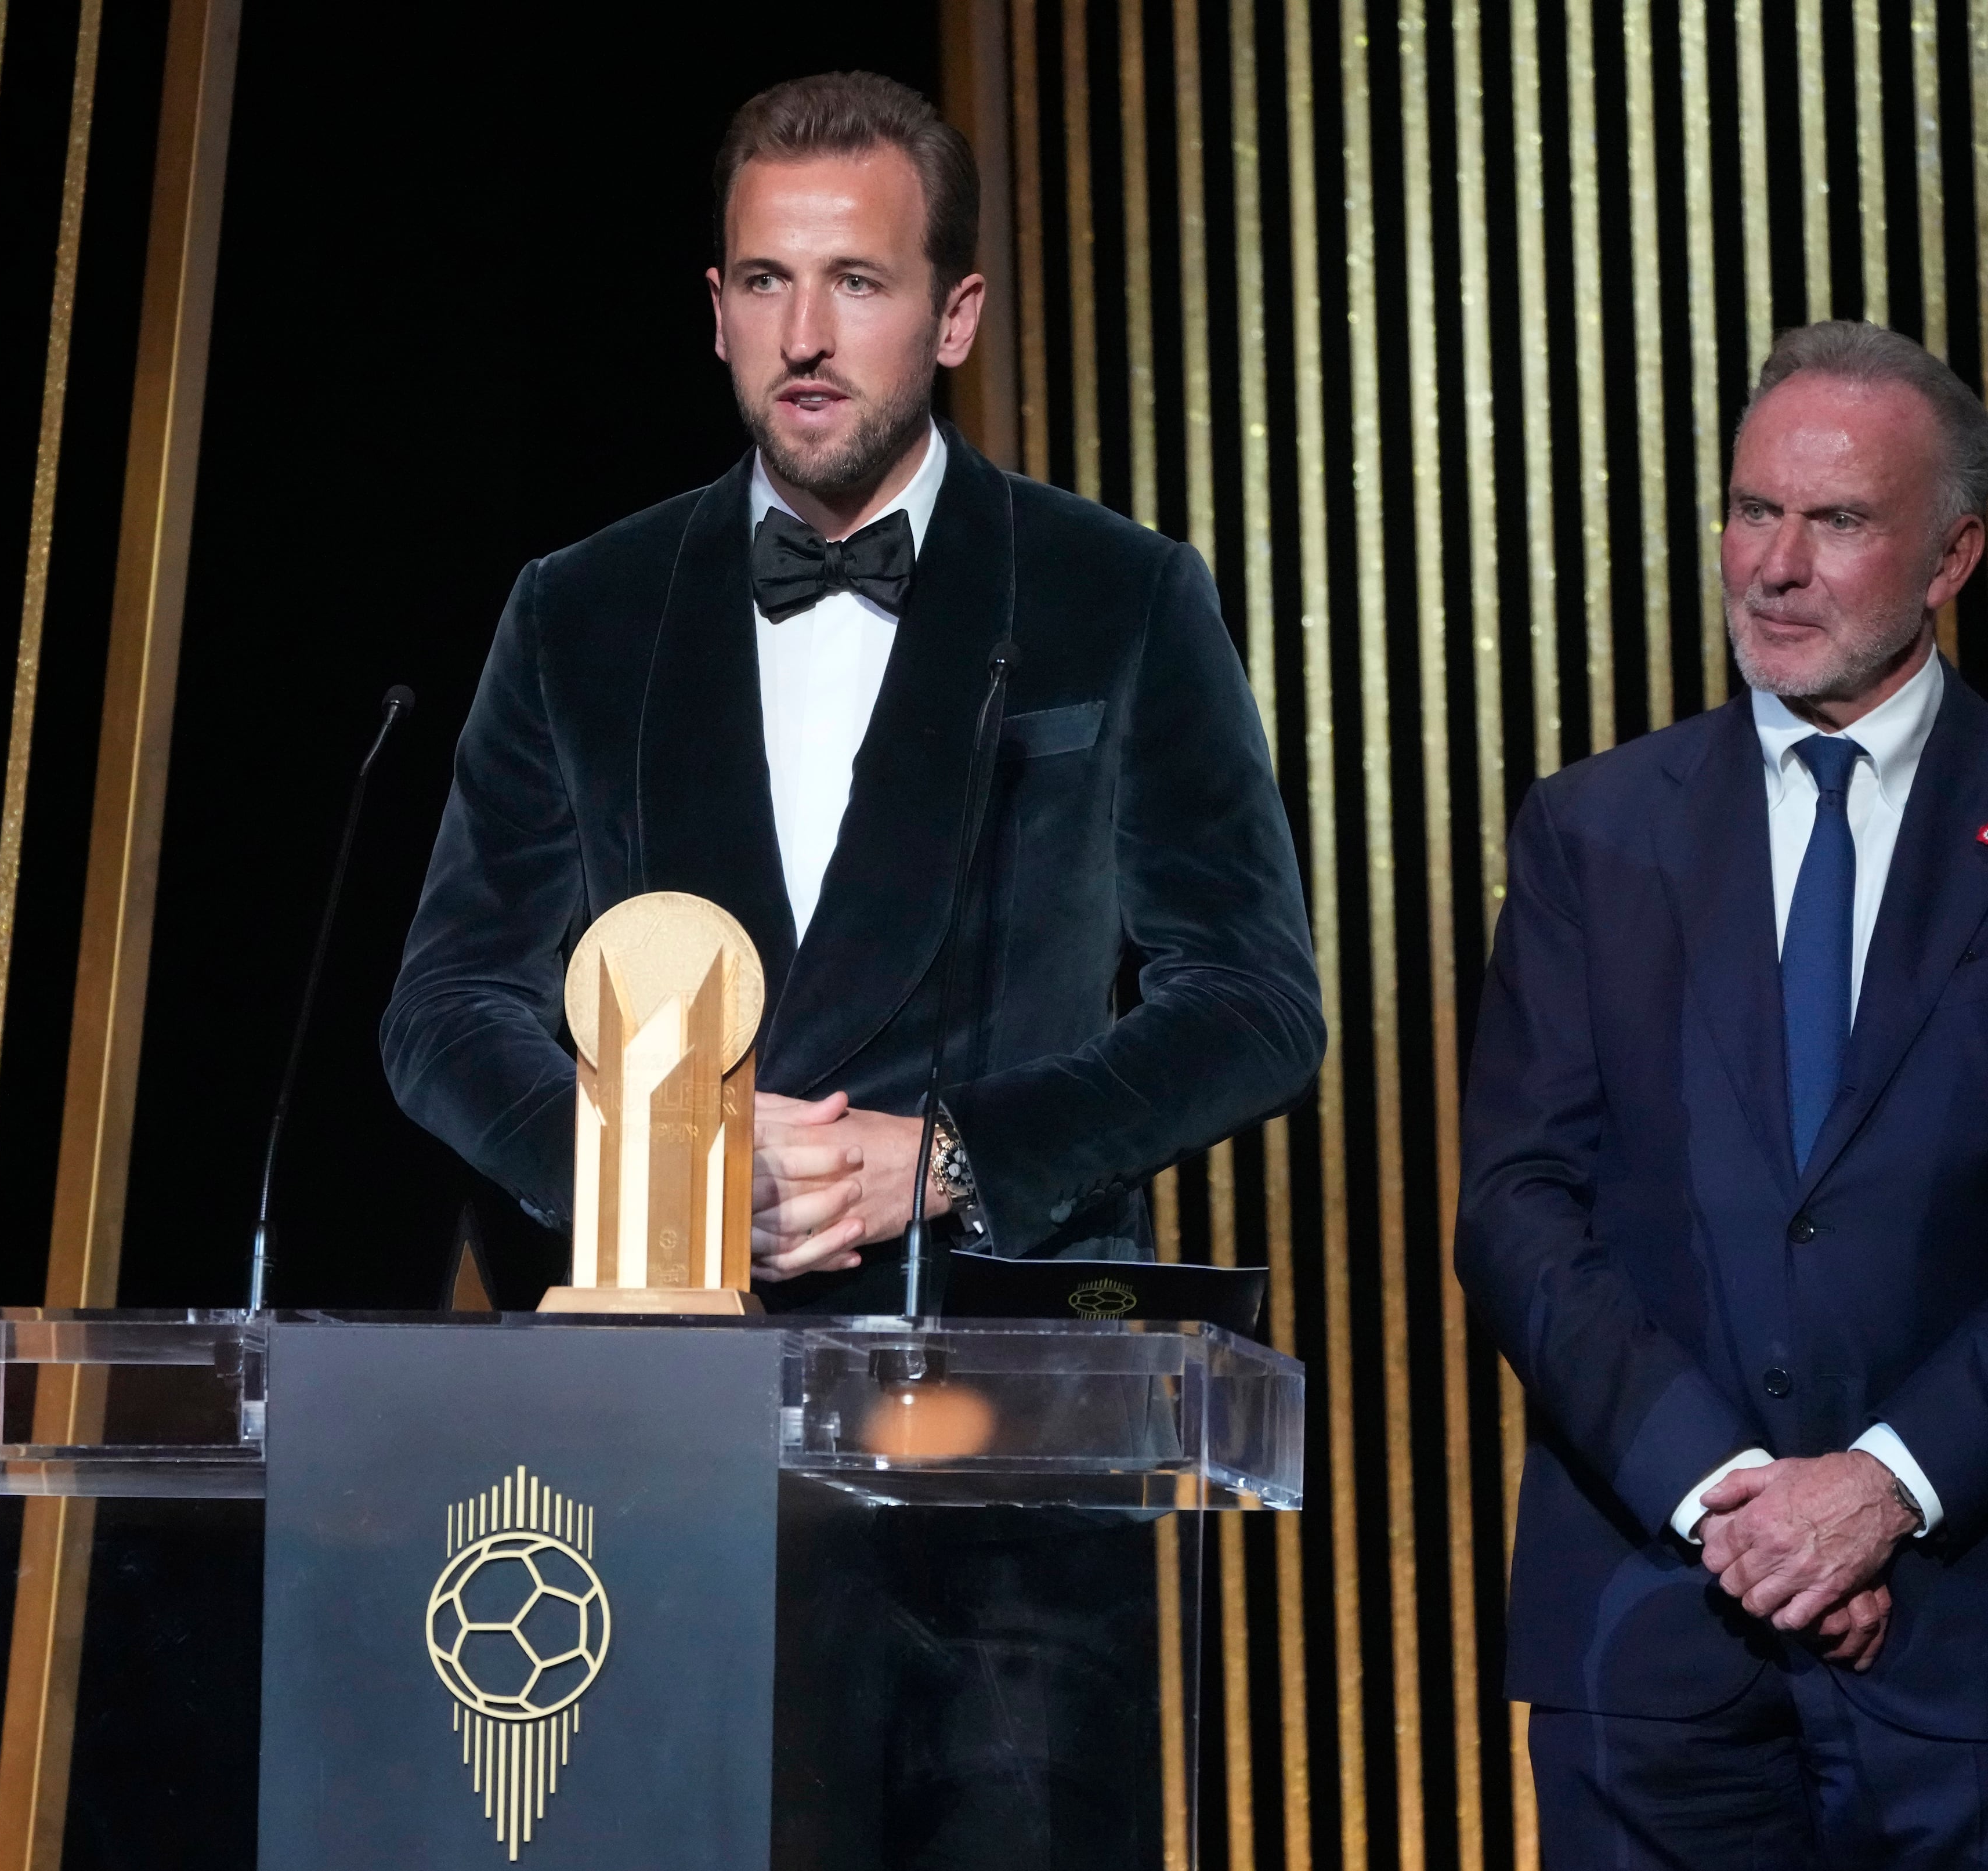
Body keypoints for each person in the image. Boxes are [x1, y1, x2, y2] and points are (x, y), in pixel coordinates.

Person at [1456, 320, 1988, 1871]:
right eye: (1751, 512)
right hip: (1650, 1623)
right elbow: (1519, 1201)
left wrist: (1880, 1486)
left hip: (1965, 1621)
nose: (1775, 567)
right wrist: (1734, 1495)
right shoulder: (1594, 827)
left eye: (1838, 522)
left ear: (1954, 554)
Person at [384, 72, 1320, 1305]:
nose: (805, 334)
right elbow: (448, 1004)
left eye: (858, 282)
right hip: (656, 1363)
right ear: (719, 312)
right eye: (767, 280)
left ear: (954, 316)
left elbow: (1253, 1002)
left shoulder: (1115, 593)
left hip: (999, 1367)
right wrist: (656, 1175)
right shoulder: (583, 607)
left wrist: (951, 1158)